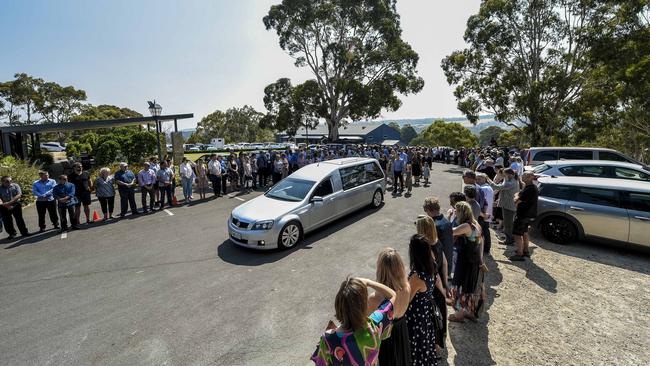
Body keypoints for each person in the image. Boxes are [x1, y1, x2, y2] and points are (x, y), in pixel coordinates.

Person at [310, 277, 396, 365]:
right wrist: (368, 282)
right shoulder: (375, 324)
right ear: (364, 305)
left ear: (338, 305)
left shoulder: (328, 339)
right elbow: (392, 295)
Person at [367, 248, 412, 366]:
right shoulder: (407, 287)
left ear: (380, 270)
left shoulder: (374, 299)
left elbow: (366, 325)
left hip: (385, 340)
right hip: (402, 333)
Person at [415, 217, 448, 355]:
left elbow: (435, 276)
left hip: (432, 289)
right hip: (439, 288)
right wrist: (446, 287)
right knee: (440, 316)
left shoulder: (427, 249)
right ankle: (440, 343)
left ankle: (436, 349)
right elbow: (445, 263)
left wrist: (441, 289)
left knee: (433, 319)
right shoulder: (437, 242)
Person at [449, 202, 486, 323]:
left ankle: (459, 315)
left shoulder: (466, 226)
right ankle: (470, 312)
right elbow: (482, 241)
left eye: (456, 211)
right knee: (471, 286)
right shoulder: (476, 224)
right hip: (474, 261)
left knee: (460, 285)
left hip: (465, 261)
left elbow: (450, 231)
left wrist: (450, 217)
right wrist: (481, 260)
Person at [405, 234, 438, 365]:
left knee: (415, 351)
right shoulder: (432, 265)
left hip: (415, 318)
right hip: (425, 314)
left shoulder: (417, 277)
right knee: (424, 349)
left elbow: (406, 299)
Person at [510, 171, 539, 261]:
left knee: (517, 234)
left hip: (523, 215)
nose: (522, 177)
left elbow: (516, 201)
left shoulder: (529, 189)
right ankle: (525, 250)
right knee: (525, 233)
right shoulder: (532, 187)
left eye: (525, 176)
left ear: (530, 177)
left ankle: (519, 254)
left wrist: (516, 195)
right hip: (529, 215)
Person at [424, 196, 454, 278]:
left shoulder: (433, 226)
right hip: (448, 265)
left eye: (426, 211)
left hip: (439, 269)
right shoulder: (447, 222)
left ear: (429, 210)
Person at [486, 168, 518, 246]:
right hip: (508, 205)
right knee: (508, 223)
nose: (503, 176)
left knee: (508, 224)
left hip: (509, 206)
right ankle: (510, 238)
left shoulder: (510, 183)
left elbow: (496, 187)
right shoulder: (511, 181)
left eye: (504, 174)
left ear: (509, 175)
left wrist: (488, 179)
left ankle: (509, 240)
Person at [476, 173, 494, 255]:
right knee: (486, 231)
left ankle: (485, 249)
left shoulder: (483, 189)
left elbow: (483, 202)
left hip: (484, 214)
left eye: (479, 178)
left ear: (485, 179)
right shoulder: (489, 188)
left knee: (484, 232)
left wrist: (483, 214)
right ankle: (486, 248)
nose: (477, 180)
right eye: (477, 178)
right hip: (487, 213)